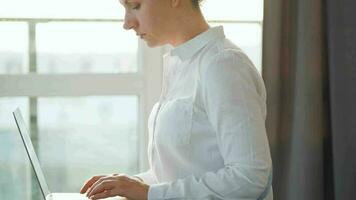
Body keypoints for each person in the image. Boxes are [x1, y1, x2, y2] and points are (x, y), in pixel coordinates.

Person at [80, 0, 273, 199]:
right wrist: (129, 184)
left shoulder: (223, 64)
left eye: (136, 6)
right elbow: (181, 174)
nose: (127, 23)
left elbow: (249, 177)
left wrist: (147, 193)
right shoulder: (184, 64)